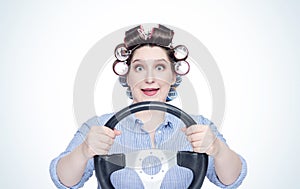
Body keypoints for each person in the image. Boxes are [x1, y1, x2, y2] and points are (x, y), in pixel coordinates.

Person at [50, 24, 247, 188]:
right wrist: (84, 150)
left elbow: (231, 180)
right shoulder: (99, 126)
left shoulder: (200, 127)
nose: (150, 78)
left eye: (160, 67)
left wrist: (218, 149)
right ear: (126, 76)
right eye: (139, 68)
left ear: (174, 75)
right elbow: (63, 180)